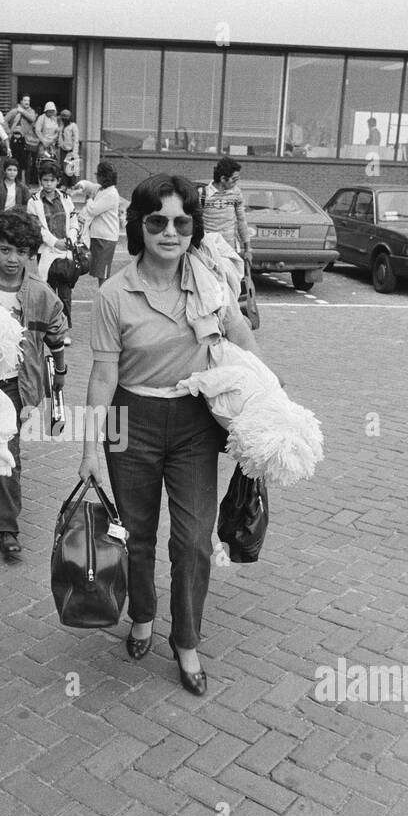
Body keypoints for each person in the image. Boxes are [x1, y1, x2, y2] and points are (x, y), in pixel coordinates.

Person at [80, 174, 265, 696]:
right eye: (157, 220)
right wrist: (91, 449)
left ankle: (186, 639)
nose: (170, 231)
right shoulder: (115, 294)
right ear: (139, 225)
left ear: (193, 227)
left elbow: (242, 339)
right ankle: (142, 615)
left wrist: (266, 403)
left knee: (192, 541)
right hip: (131, 422)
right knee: (136, 535)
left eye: (181, 221)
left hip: (194, 424)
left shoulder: (209, 281)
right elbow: (102, 377)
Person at [0, 209, 69, 556]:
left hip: (15, 385)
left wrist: (59, 375)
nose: (13, 259)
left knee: (8, 453)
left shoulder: (40, 293)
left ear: (31, 253)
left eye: (21, 252)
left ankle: (6, 529)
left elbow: (57, 332)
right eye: (5, 250)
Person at [28, 159, 79, 335]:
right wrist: (54, 242)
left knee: (65, 293)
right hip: (46, 252)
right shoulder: (33, 201)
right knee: (48, 291)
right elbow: (36, 227)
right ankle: (49, 328)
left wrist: (70, 239)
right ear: (40, 180)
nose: (49, 184)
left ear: (58, 180)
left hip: (65, 250)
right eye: (45, 180)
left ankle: (63, 331)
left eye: (52, 180)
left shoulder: (65, 198)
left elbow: (74, 221)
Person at [202, 156, 252, 273]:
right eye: (234, 179)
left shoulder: (236, 193)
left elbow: (241, 220)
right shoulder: (203, 194)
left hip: (230, 249)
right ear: (223, 179)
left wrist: (248, 249)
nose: (236, 183)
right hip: (209, 250)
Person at [76, 161, 122, 286]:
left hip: (106, 237)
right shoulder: (101, 189)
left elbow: (93, 210)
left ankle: (104, 296)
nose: (96, 177)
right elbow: (89, 186)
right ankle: (102, 294)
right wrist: (81, 184)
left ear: (103, 176)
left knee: (103, 273)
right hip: (97, 236)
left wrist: (89, 199)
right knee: (98, 271)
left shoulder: (112, 193)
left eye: (98, 174)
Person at [5, 94, 40, 185]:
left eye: (28, 100)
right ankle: (11, 182)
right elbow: (4, 121)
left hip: (26, 141)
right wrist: (8, 132)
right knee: (13, 162)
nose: (27, 102)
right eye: (25, 100)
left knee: (24, 164)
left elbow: (32, 118)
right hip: (13, 140)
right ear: (21, 101)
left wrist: (22, 111)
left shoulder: (31, 112)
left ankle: (22, 183)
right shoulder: (14, 111)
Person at [0, 158, 30, 223]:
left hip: (16, 221)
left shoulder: (22, 187)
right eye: (9, 170)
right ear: (4, 171)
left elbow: (28, 204)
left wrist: (19, 211)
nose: (12, 173)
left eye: (15, 170)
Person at [58, 109, 80, 186]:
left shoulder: (73, 126)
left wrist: (75, 152)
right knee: (63, 168)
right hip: (63, 150)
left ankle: (72, 186)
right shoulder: (62, 126)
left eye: (65, 117)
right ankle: (64, 185)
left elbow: (76, 139)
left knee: (70, 169)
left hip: (70, 150)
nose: (64, 119)